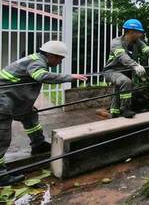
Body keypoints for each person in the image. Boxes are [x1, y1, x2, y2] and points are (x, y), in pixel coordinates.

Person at [0, 41, 87, 185]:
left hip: (12, 99)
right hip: (3, 102)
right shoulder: (37, 63)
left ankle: (38, 144)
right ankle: (1, 175)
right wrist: (69, 77)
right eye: (60, 58)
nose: (60, 62)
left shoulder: (36, 59)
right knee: (2, 137)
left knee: (30, 115)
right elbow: (41, 76)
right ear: (52, 55)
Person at [103, 19, 149, 119]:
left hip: (126, 71)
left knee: (118, 90)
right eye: (139, 32)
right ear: (130, 32)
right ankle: (125, 109)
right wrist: (135, 65)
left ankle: (114, 114)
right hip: (112, 71)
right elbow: (122, 56)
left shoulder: (137, 42)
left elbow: (148, 51)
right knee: (125, 82)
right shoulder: (116, 42)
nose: (140, 34)